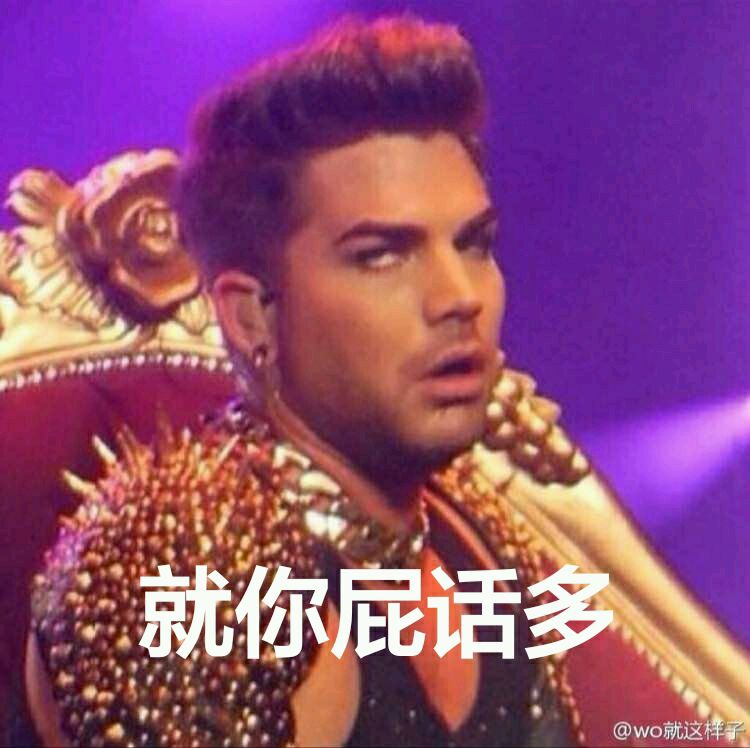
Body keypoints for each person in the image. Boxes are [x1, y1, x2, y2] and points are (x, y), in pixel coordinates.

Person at [19, 14, 750, 748]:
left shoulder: (475, 529)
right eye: (381, 255)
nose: (458, 296)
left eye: (474, 244)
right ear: (250, 315)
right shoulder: (187, 560)